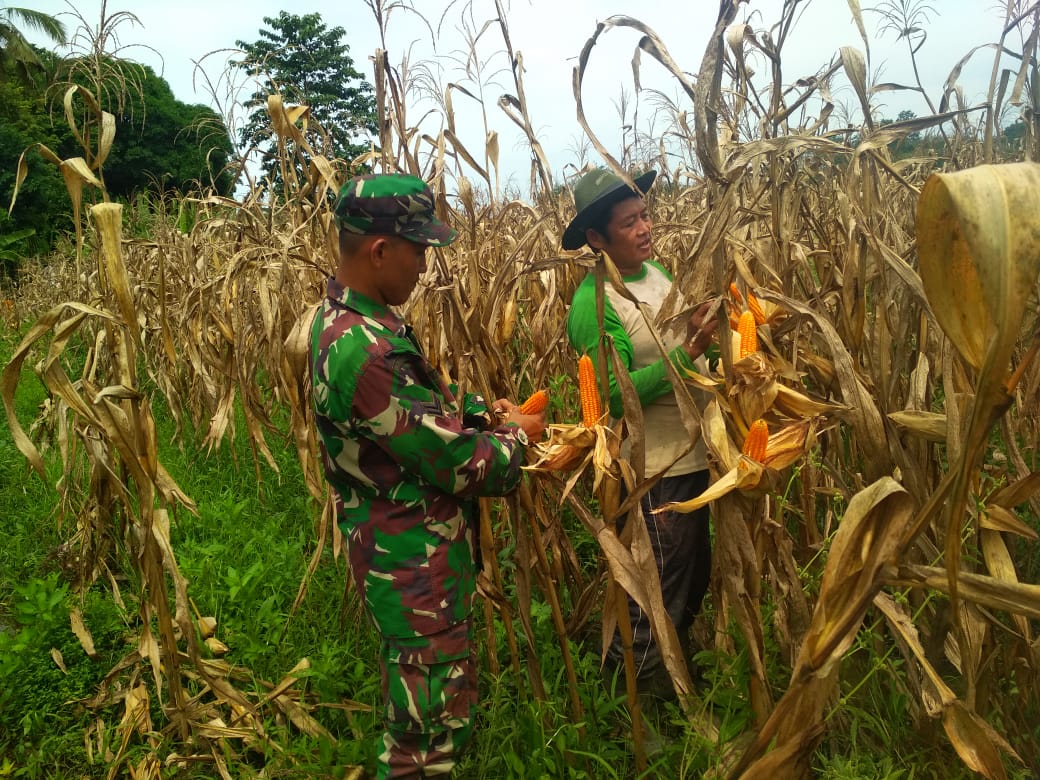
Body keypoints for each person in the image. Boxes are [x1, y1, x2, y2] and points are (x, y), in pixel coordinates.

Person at [310, 172, 545, 778]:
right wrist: (520, 437)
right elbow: (464, 467)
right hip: (416, 568)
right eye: (418, 251)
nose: (423, 266)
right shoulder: (367, 351)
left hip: (402, 558)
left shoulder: (349, 322)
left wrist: (480, 412)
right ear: (381, 250)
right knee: (426, 739)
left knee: (426, 714)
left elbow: (415, 412)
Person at [562, 168, 717, 697]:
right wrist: (687, 353)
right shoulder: (596, 303)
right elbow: (611, 394)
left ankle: (676, 678)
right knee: (655, 592)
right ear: (596, 239)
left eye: (645, 215)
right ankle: (640, 702)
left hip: (695, 459)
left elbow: (681, 337)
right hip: (652, 471)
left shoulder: (656, 274)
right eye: (630, 222)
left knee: (691, 582)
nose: (646, 227)